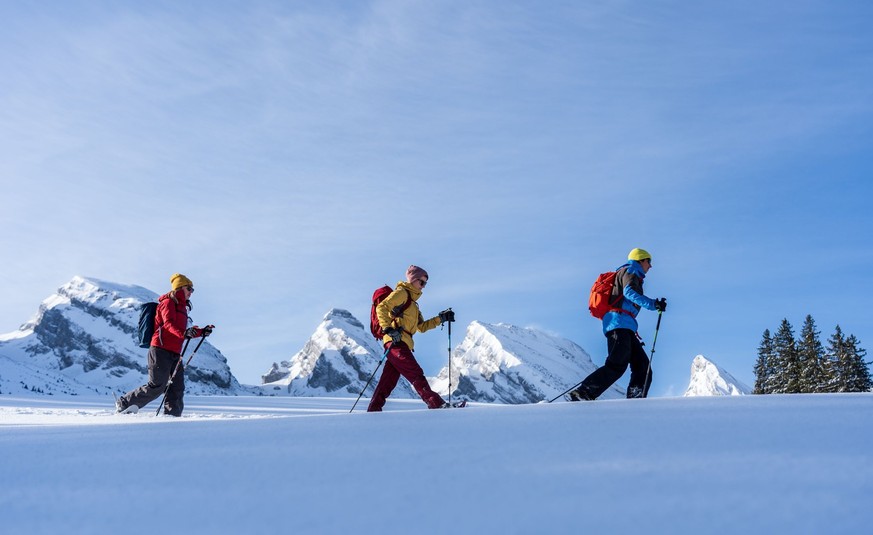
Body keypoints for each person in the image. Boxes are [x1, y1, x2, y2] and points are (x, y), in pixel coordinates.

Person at [569, 248, 667, 401]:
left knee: (642, 366)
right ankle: (584, 392)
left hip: (625, 326)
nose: (650, 266)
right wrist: (653, 304)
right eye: (649, 261)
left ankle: (636, 398)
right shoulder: (631, 271)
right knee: (617, 364)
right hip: (618, 324)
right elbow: (630, 293)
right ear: (640, 260)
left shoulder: (631, 273)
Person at [116, 273, 213, 416]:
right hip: (160, 350)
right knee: (157, 386)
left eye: (192, 289)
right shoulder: (167, 303)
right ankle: (124, 403)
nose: (192, 292)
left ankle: (172, 417)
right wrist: (184, 333)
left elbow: (185, 331)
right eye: (189, 288)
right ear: (180, 288)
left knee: (177, 388)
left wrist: (201, 331)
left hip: (175, 352)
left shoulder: (183, 308)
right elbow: (168, 324)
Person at [368, 265, 455, 412]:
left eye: (425, 283)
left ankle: (373, 410)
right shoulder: (402, 293)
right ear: (413, 280)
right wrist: (387, 328)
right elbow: (381, 307)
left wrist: (440, 319)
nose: (424, 286)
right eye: (422, 282)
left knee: (387, 382)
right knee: (415, 372)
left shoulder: (413, 304)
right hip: (396, 342)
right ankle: (435, 403)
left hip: (403, 343)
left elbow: (421, 326)